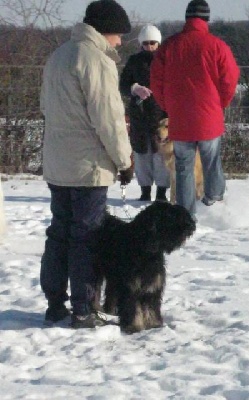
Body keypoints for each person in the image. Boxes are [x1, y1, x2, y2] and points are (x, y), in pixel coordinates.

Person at [40, 0, 133, 329]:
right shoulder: (96, 60)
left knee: (59, 234)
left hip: (57, 163)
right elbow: (109, 119)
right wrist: (124, 161)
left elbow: (44, 107)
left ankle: (54, 304)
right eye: (119, 35)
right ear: (106, 30)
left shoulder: (59, 55)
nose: (120, 42)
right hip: (89, 167)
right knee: (87, 237)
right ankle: (84, 308)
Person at [150, 0, 240, 217]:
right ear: (206, 19)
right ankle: (214, 201)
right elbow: (230, 78)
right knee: (211, 161)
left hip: (179, 118)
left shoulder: (169, 46)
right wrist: (221, 104)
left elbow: (156, 80)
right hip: (209, 115)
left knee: (182, 167)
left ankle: (185, 214)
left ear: (187, 18)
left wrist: (167, 106)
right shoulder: (217, 45)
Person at [120, 25, 170, 202]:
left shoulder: (167, 61)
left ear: (158, 43)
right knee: (142, 156)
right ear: (141, 44)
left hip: (160, 116)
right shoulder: (134, 61)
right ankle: (145, 190)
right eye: (146, 43)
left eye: (153, 43)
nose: (150, 46)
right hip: (139, 115)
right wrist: (135, 88)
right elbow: (123, 84)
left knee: (161, 156)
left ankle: (162, 192)